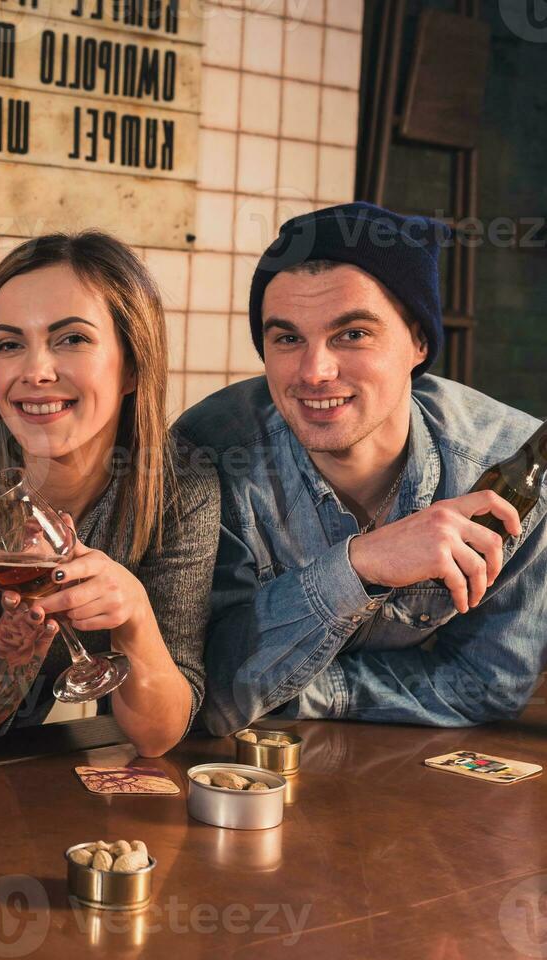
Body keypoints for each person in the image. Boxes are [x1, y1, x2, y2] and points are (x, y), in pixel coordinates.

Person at [175, 202, 547, 734]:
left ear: (418, 341)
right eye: (287, 338)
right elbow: (200, 694)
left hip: (407, 789)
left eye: (352, 334)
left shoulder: (510, 468)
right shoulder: (206, 456)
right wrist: (358, 568)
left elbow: (486, 685)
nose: (314, 371)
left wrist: (298, 691)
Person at [0, 232, 218, 757]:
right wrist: (22, 633)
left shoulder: (181, 486)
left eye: (72, 339)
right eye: (9, 344)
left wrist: (134, 616)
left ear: (132, 365)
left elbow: (157, 736)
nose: (35, 371)